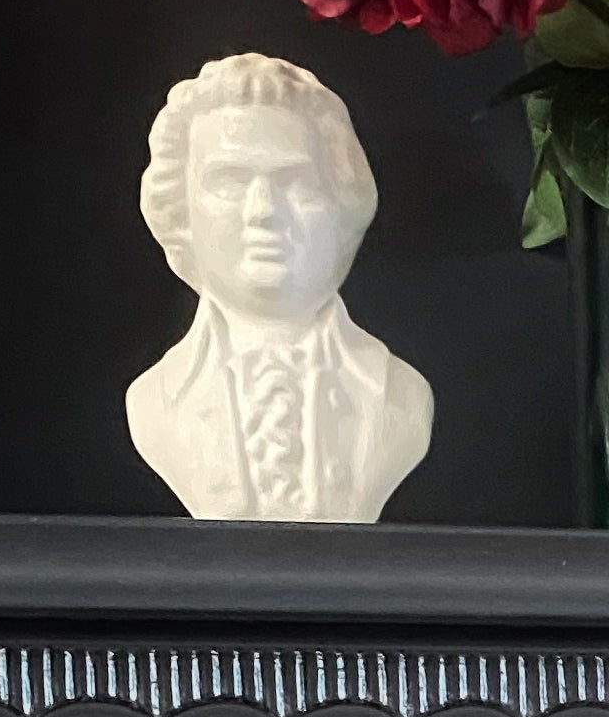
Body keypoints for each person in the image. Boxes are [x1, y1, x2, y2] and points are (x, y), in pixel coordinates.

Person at [127, 55, 431, 522]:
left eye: (296, 183)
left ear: (342, 203)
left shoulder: (399, 396)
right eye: (229, 182)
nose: (264, 211)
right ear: (179, 211)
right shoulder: (156, 400)